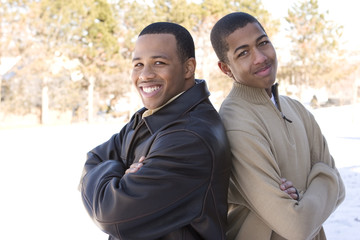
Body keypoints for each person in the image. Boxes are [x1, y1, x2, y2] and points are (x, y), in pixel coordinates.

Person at [79, 22, 231, 240]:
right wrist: (119, 175)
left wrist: (114, 176)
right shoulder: (150, 116)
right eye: (138, 64)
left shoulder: (190, 137)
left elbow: (110, 214)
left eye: (159, 63)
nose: (145, 75)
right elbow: (94, 157)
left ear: (188, 68)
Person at [210, 12, 345, 240]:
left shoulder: (297, 109)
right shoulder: (236, 121)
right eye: (243, 53)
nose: (260, 57)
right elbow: (296, 227)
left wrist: (300, 197)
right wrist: (321, 183)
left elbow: (340, 188)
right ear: (226, 68)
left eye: (263, 43)